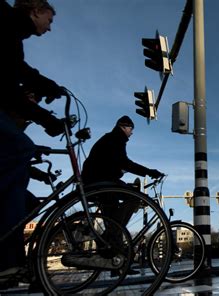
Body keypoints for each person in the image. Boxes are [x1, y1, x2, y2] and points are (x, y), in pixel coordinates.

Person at [0, 0, 65, 284]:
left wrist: (43, 99)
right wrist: (45, 114)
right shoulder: (6, 23)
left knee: (23, 196)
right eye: (49, 20)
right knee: (21, 148)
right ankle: (5, 260)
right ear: (36, 11)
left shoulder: (11, 32)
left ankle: (10, 260)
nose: (49, 28)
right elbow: (8, 83)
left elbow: (11, 75)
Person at [81, 116, 164, 275]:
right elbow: (124, 162)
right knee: (133, 197)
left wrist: (119, 171)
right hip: (101, 182)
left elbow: (111, 163)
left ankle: (116, 263)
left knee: (114, 217)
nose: (131, 133)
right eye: (131, 129)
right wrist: (149, 171)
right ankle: (112, 232)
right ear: (123, 126)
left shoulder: (110, 139)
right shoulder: (115, 138)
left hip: (97, 181)